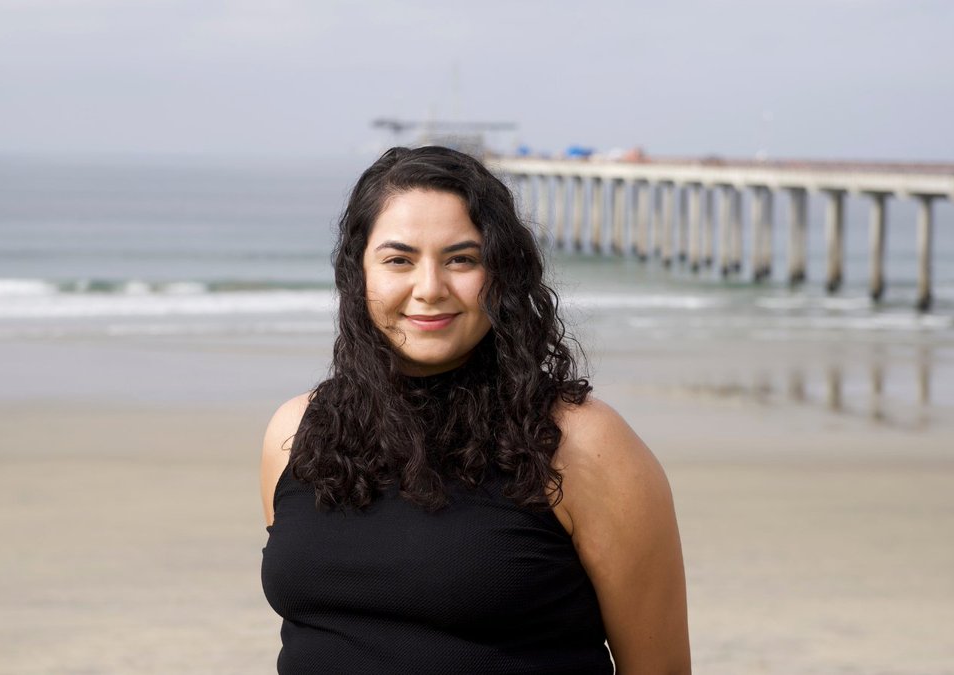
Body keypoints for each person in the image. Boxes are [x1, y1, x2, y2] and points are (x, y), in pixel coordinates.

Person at [260, 146, 689, 674]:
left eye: (461, 259)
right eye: (399, 260)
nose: (430, 289)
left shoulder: (582, 442)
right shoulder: (297, 431)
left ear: (501, 273)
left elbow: (660, 668)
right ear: (359, 273)